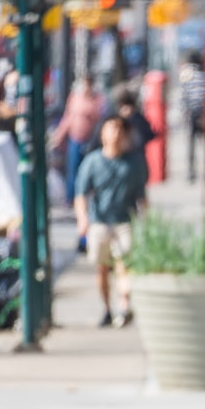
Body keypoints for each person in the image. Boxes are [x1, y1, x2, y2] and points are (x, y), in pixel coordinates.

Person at [73, 114, 148, 329]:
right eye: (110, 129)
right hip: (100, 222)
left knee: (125, 264)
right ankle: (107, 308)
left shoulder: (133, 163)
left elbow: (142, 197)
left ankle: (125, 306)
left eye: (119, 130)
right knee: (102, 269)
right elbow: (81, 193)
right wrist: (82, 219)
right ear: (103, 134)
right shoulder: (93, 161)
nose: (115, 134)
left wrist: (146, 222)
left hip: (124, 221)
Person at [52, 74, 106, 206]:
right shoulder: (75, 98)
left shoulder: (96, 99)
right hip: (75, 138)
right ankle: (71, 198)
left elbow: (99, 115)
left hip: (90, 140)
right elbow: (68, 118)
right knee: (73, 169)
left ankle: (89, 197)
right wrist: (59, 135)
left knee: (89, 170)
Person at [179, 51, 205, 181]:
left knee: (191, 144)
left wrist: (184, 113)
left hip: (193, 113)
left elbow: (184, 96)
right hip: (204, 112)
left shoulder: (187, 75)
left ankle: (191, 170)